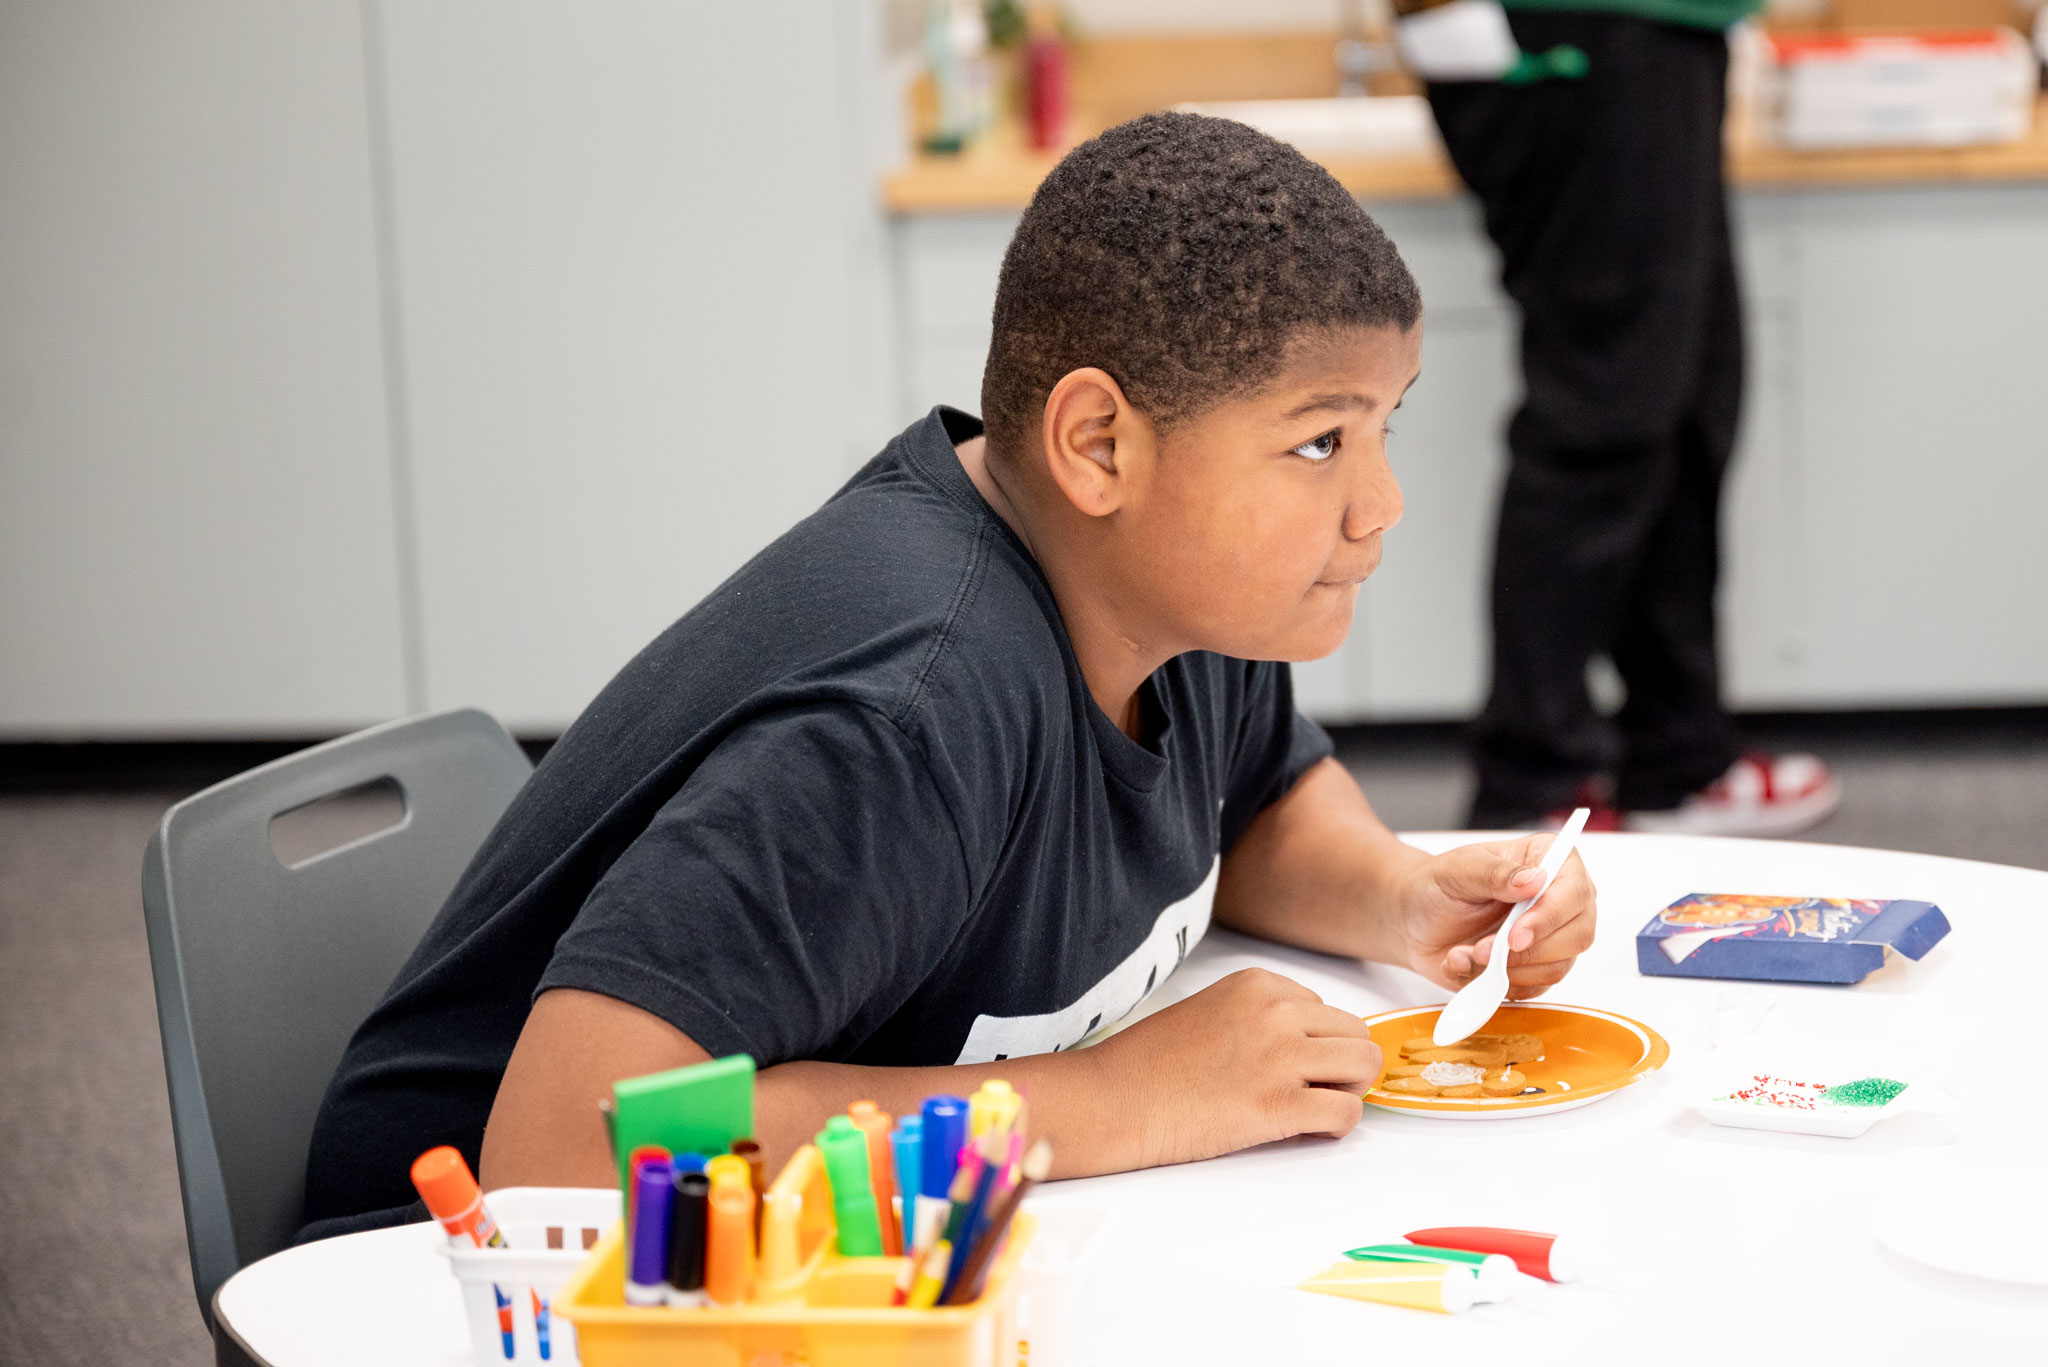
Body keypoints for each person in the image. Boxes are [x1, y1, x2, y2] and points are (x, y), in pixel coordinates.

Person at [299, 112, 1597, 1238]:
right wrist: (1121, 1097)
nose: (1383, 503)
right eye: (1319, 441)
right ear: (1100, 445)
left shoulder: (1166, 605)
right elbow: (571, 1150)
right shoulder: (904, 726)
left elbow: (1249, 804)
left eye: (1386, 424)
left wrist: (1404, 896)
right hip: (456, 1285)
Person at [1424, 0, 1840, 834]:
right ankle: (1533, 786)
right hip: (1574, 33)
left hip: (1666, 32)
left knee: (1687, 403)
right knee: (1602, 410)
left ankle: (1677, 754)